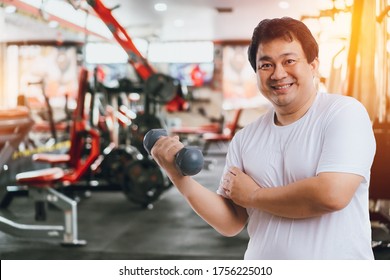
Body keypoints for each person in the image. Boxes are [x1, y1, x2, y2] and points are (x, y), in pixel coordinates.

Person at [150, 17, 376, 259]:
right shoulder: (246, 138)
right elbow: (231, 222)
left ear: (313, 65)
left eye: (289, 61)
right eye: (265, 65)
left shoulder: (344, 113)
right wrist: (177, 176)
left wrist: (253, 196)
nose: (278, 74)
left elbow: (331, 194)